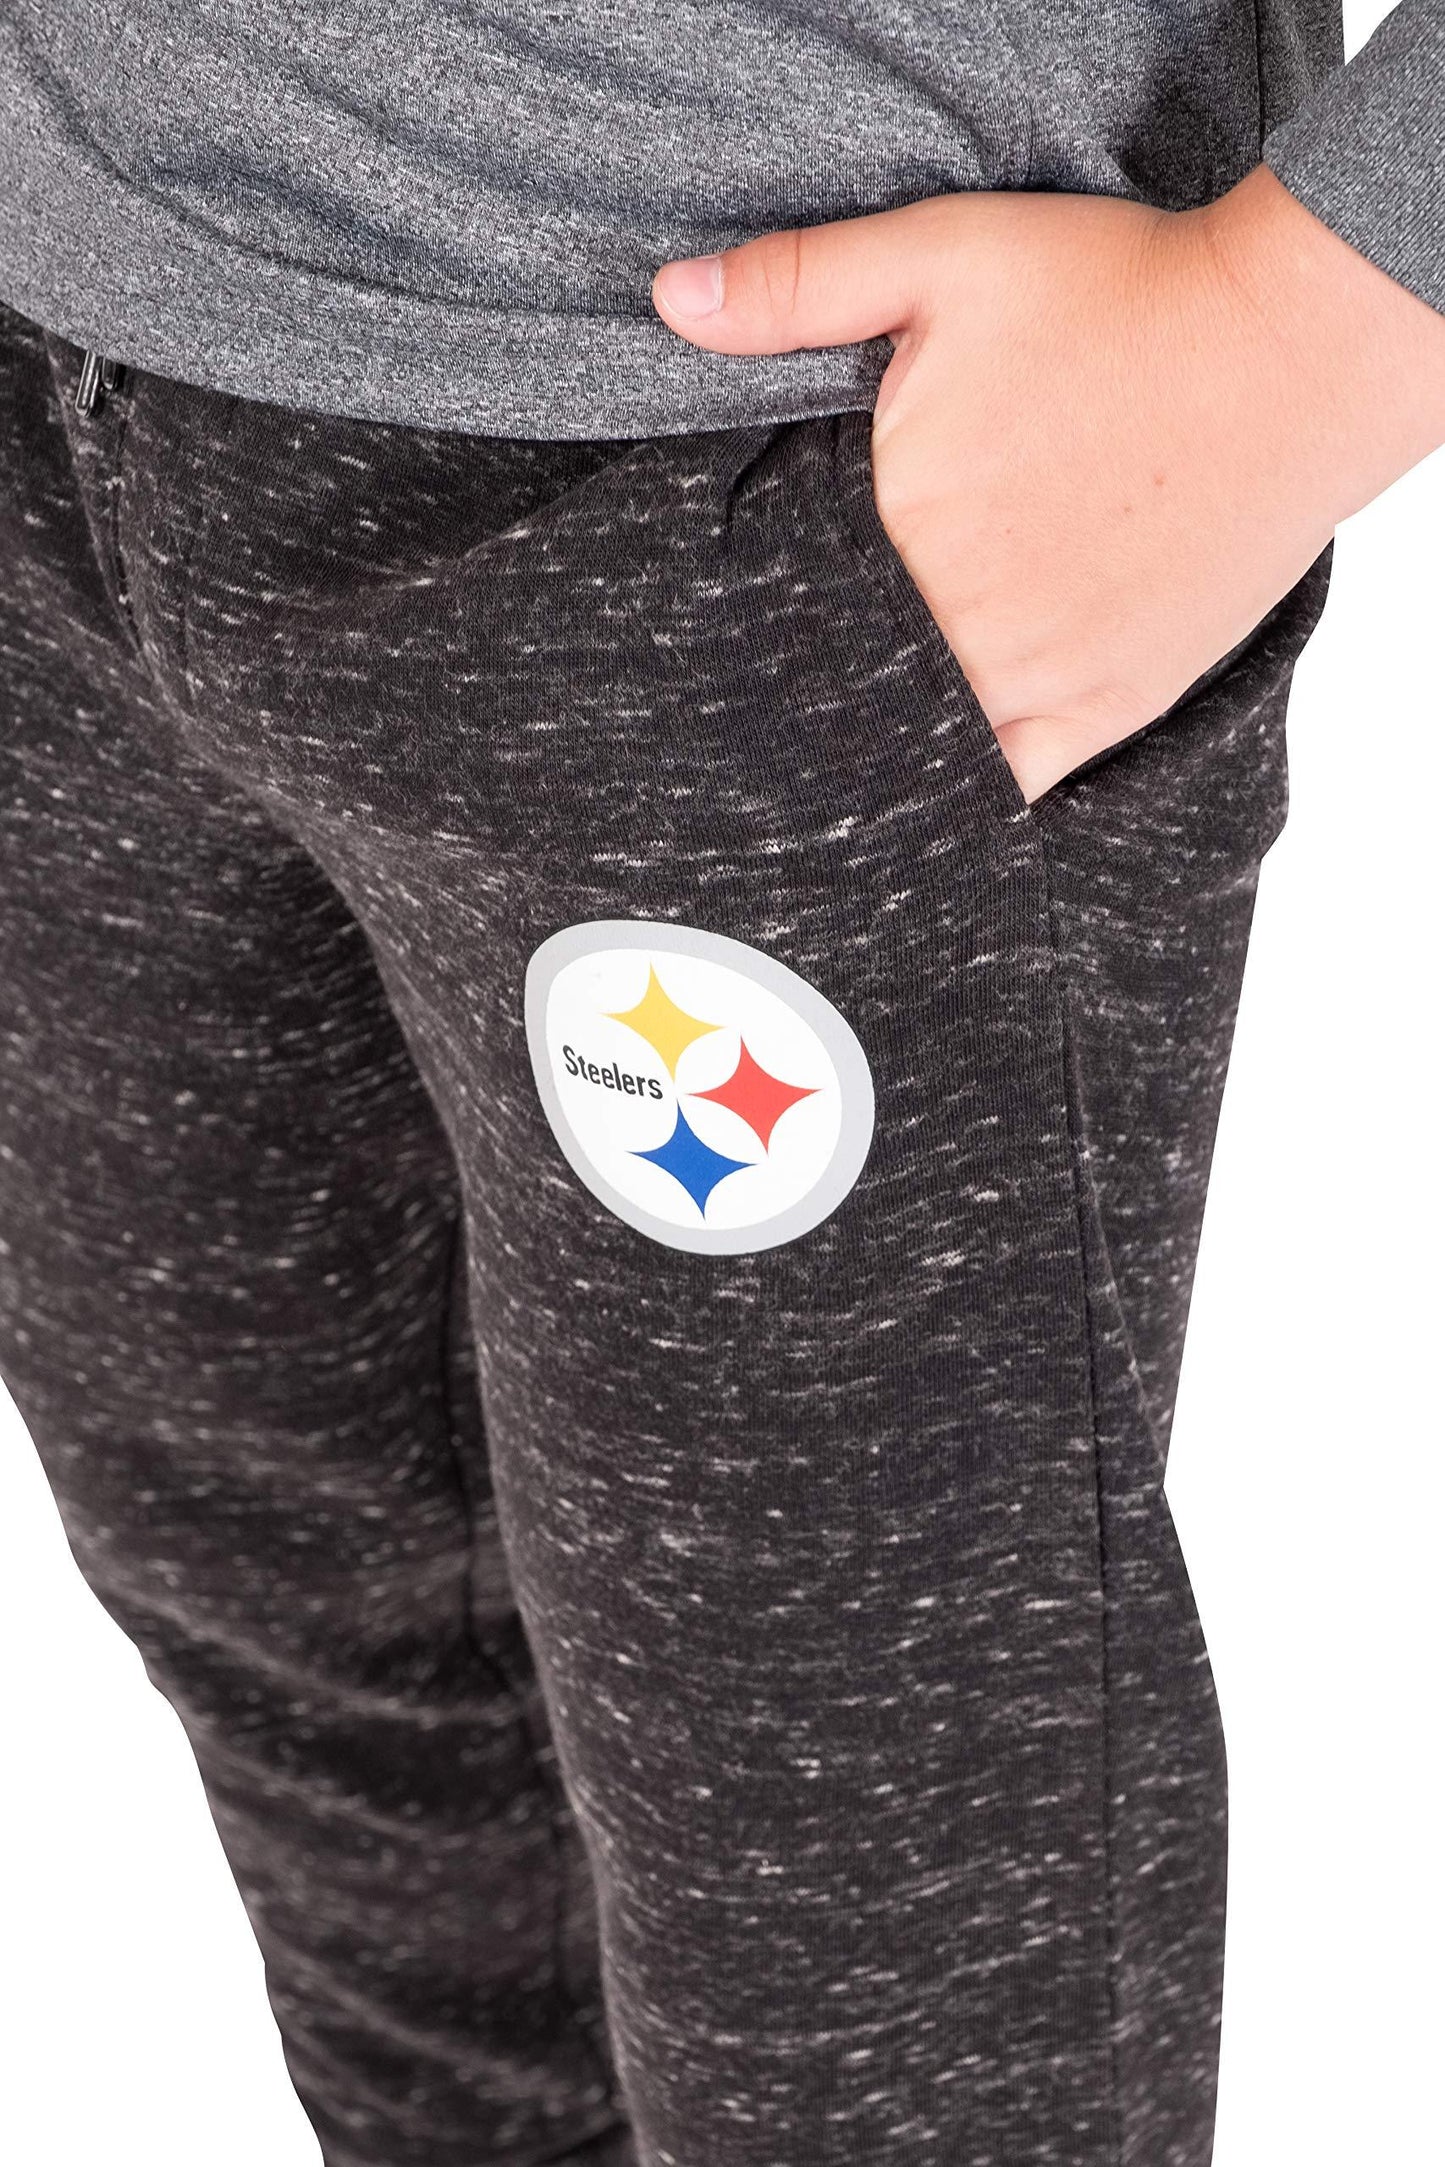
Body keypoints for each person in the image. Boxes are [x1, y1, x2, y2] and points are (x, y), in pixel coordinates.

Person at [1, 4, 1441, 2163]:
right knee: (334, 1680)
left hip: (752, 472)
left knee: (861, 1948)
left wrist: (1316, 317)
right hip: (49, 312)